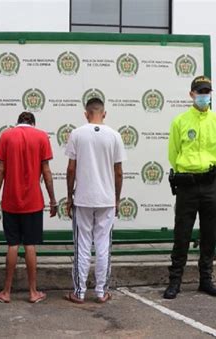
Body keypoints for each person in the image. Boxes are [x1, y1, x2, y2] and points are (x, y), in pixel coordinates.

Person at [164, 76, 216, 299]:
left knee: (210, 234)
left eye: (207, 92)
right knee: (182, 234)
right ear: (191, 94)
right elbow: (173, 154)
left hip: (210, 185)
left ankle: (206, 280)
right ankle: (175, 282)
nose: (204, 96)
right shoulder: (180, 121)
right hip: (187, 186)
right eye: (200, 92)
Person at [0, 112, 57, 303]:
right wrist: (53, 200)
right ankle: (33, 292)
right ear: (33, 123)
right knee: (30, 245)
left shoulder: (6, 136)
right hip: (33, 201)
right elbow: (46, 172)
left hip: (10, 200)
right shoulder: (42, 136)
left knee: (12, 245)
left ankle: (6, 291)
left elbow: (0, 171)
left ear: (17, 122)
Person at [64, 97, 126, 304]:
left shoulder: (77, 133)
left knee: (81, 244)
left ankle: (79, 292)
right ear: (104, 113)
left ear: (86, 113)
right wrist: (116, 199)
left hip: (83, 197)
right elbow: (118, 172)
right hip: (106, 198)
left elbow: (71, 169)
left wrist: (69, 195)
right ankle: (100, 291)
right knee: (103, 245)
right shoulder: (114, 135)